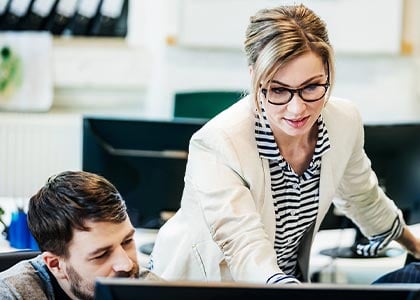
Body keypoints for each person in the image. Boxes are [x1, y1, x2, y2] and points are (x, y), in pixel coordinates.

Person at [149, 4, 420, 284]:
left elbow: (363, 197)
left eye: (312, 87)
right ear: (255, 77)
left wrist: (414, 246)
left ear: (328, 72)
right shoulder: (218, 144)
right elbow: (245, 249)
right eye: (278, 90)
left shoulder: (343, 121)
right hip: (207, 286)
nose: (297, 109)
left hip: (282, 285)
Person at [0, 170, 161, 299]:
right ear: (55, 265)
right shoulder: (12, 294)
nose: (126, 264)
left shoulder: (154, 291)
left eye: (127, 242)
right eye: (102, 254)